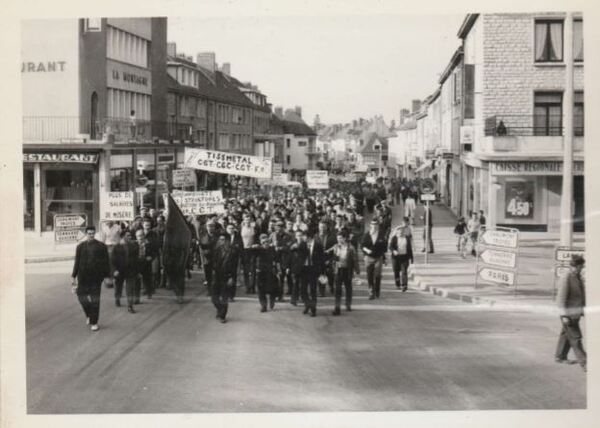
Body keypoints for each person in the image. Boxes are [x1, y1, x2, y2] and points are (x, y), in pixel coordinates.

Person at [71, 225, 111, 331]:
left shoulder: (102, 246)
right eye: (89, 234)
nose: (91, 235)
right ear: (86, 234)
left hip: (96, 278)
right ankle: (89, 314)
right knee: (81, 298)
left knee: (95, 300)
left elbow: (106, 263)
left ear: (95, 233)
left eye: (93, 233)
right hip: (83, 277)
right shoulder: (80, 247)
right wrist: (73, 276)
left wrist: (107, 276)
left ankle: (94, 322)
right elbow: (77, 262)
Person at [555, 255, 586, 372]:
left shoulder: (577, 276)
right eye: (581, 267)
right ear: (575, 266)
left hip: (576, 313)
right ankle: (585, 363)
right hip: (568, 314)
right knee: (576, 338)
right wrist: (564, 316)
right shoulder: (566, 277)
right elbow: (561, 299)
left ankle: (560, 356)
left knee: (566, 334)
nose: (582, 269)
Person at [331, 230, 360, 315]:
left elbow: (355, 259)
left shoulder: (351, 247)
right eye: (337, 238)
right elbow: (333, 258)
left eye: (340, 238)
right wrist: (334, 261)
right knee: (337, 290)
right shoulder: (336, 247)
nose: (338, 240)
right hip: (338, 270)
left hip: (347, 270)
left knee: (348, 288)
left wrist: (357, 270)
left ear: (345, 238)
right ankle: (337, 307)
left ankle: (348, 304)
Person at [212, 233, 237, 323]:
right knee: (214, 297)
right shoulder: (217, 250)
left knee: (224, 297)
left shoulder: (232, 252)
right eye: (220, 240)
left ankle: (222, 316)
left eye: (223, 240)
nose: (221, 241)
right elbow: (214, 262)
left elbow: (234, 267)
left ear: (228, 241)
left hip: (227, 276)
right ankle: (220, 310)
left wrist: (231, 278)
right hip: (217, 276)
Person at [112, 231, 138, 313]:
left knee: (130, 289)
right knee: (118, 286)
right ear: (122, 237)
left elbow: (136, 259)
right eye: (128, 236)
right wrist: (115, 270)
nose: (130, 237)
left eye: (130, 235)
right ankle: (117, 298)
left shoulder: (133, 246)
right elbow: (112, 260)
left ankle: (130, 306)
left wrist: (137, 271)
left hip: (130, 271)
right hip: (119, 271)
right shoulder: (116, 247)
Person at [361, 220, 387, 300]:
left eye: (376, 225)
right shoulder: (366, 235)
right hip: (369, 257)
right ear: (370, 226)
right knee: (369, 275)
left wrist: (384, 259)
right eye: (373, 225)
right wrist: (366, 251)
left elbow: (384, 248)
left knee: (377, 275)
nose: (374, 227)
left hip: (378, 257)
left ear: (378, 226)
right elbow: (362, 246)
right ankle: (371, 291)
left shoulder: (381, 235)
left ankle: (377, 290)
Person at [302, 231, 325, 317]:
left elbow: (322, 259)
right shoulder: (303, 244)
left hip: (313, 270)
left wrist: (322, 272)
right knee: (303, 290)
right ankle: (307, 304)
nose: (303, 239)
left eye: (304, 237)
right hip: (304, 269)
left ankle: (313, 309)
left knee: (312, 290)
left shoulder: (318, 246)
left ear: (309, 237)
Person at [255, 234, 279, 312]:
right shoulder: (258, 249)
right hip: (261, 272)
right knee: (261, 289)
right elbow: (252, 258)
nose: (265, 243)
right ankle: (263, 305)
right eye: (263, 241)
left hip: (271, 271)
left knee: (272, 288)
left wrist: (278, 271)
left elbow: (277, 260)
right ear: (261, 242)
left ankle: (272, 300)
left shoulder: (272, 249)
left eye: (267, 241)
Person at [389, 220, 414, 291]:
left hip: (404, 257)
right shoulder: (394, 238)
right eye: (399, 232)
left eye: (401, 232)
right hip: (396, 258)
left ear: (403, 232)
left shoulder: (407, 238)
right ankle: (397, 284)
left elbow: (409, 248)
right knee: (396, 271)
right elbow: (390, 246)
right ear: (396, 232)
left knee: (404, 271)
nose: (400, 233)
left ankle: (404, 285)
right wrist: (394, 251)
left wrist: (411, 258)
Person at [315, 220, 336, 296]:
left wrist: (331, 259)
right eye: (320, 227)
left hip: (329, 258)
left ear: (327, 227)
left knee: (330, 274)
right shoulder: (315, 236)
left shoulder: (332, 237)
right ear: (318, 227)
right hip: (319, 259)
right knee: (320, 275)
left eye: (324, 227)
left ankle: (331, 286)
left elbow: (335, 247)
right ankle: (322, 291)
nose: (322, 228)